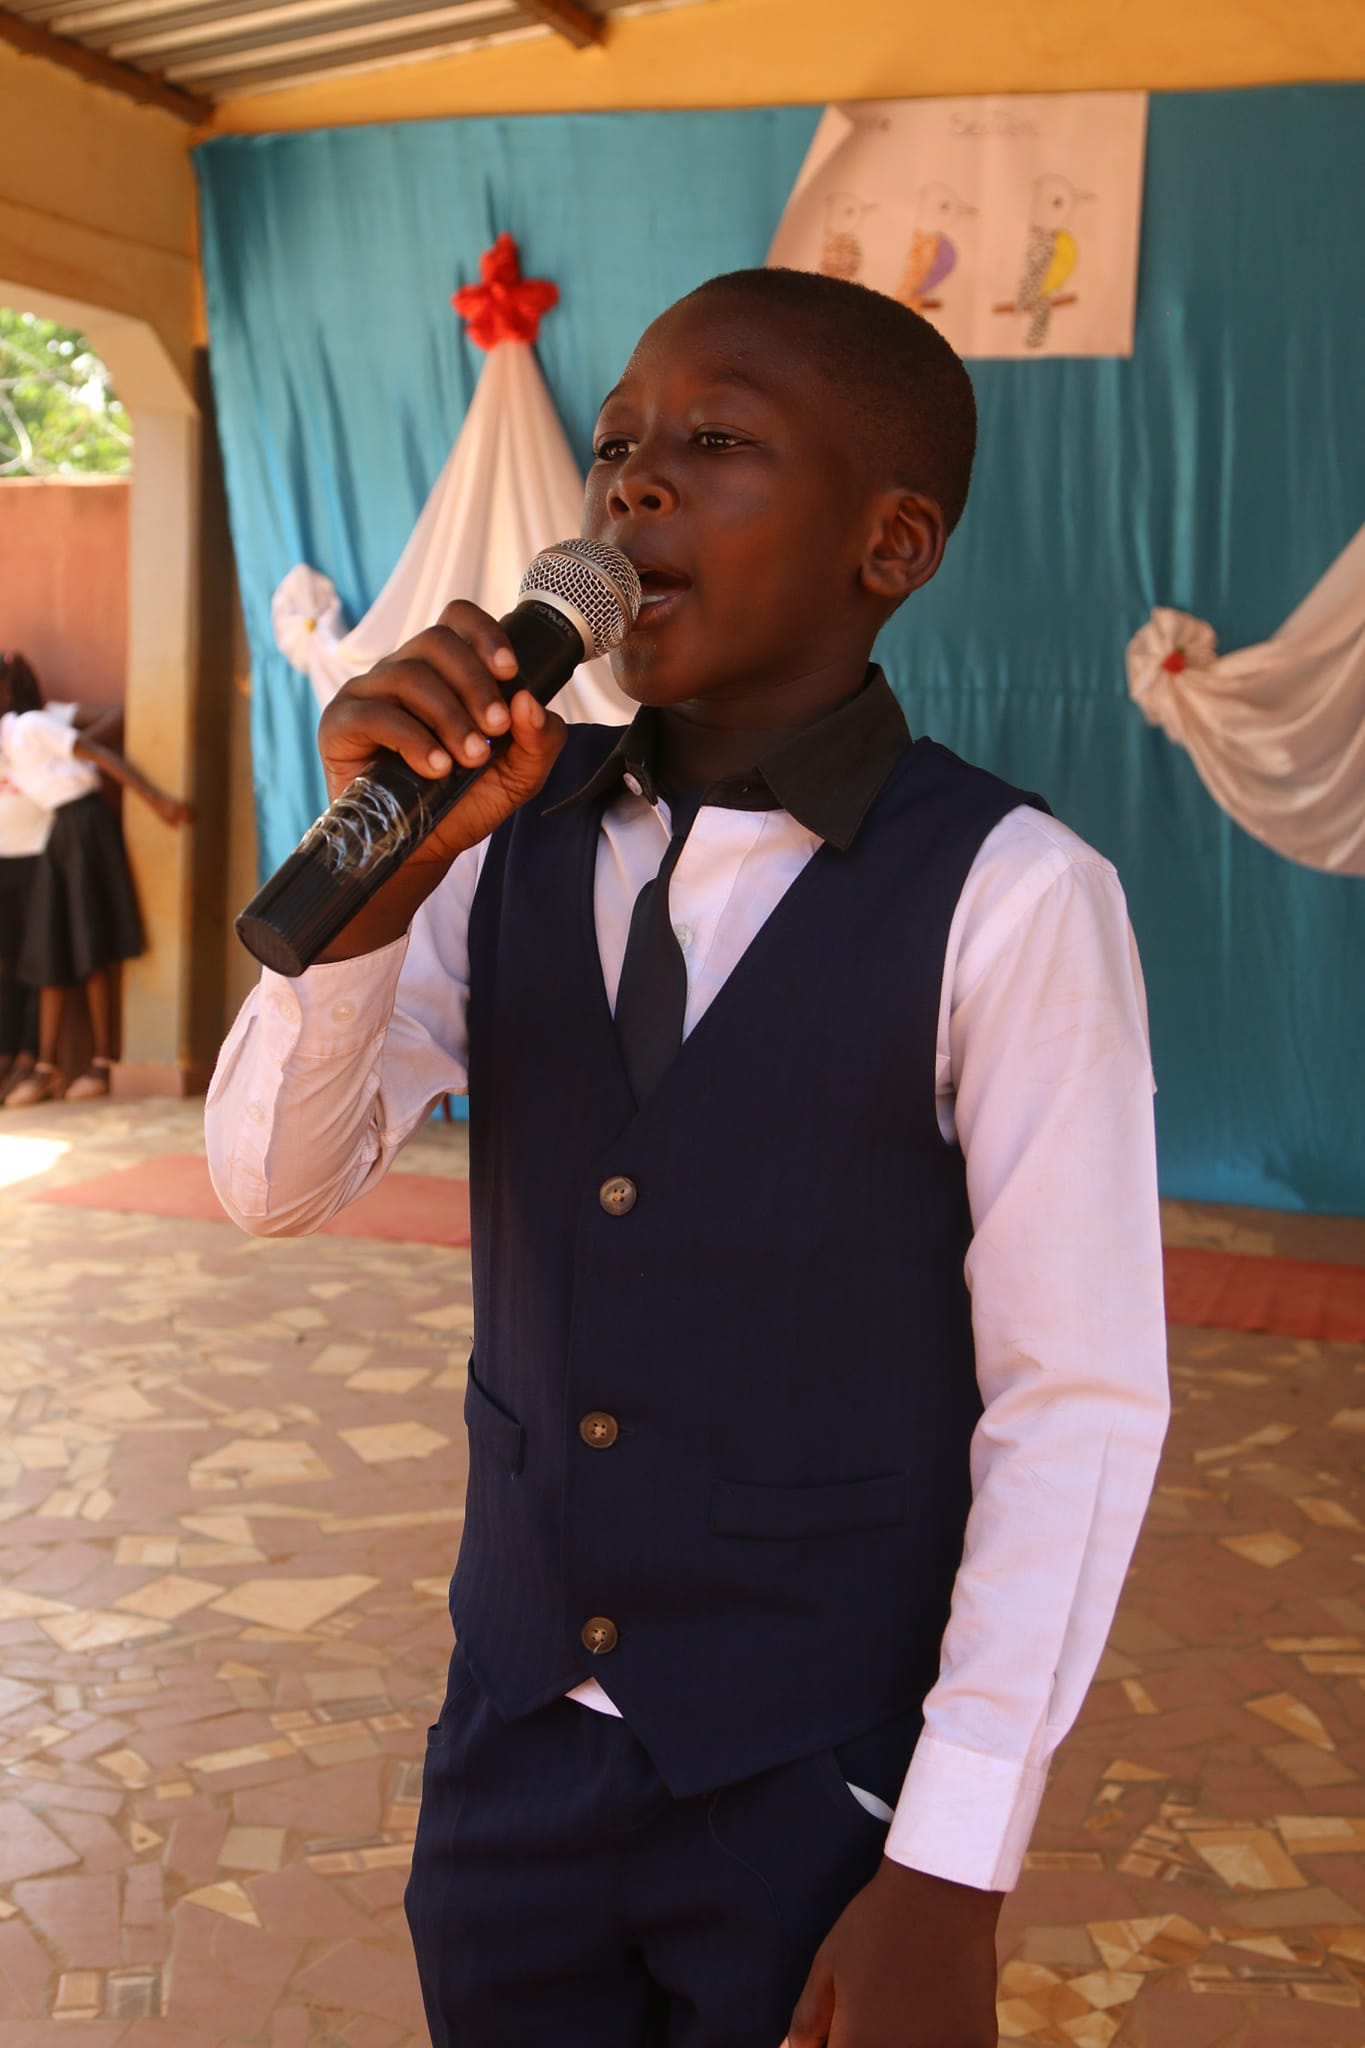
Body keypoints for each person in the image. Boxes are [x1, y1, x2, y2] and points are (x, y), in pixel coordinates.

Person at [206, 269, 1169, 2048]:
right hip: (510, 1755)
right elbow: (271, 1183)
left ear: (892, 544)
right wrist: (381, 885)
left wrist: (952, 1862)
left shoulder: (1016, 895)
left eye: (715, 443)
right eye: (617, 444)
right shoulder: (491, 841)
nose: (634, 482)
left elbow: (1078, 1401)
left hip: (816, 1776)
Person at [0, 650, 193, 1104]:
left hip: (85, 824)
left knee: (91, 942)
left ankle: (102, 1063)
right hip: (60, 833)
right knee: (50, 946)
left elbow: (101, 756)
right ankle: (46, 1067)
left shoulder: (31, 726)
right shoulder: (9, 742)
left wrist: (157, 800)